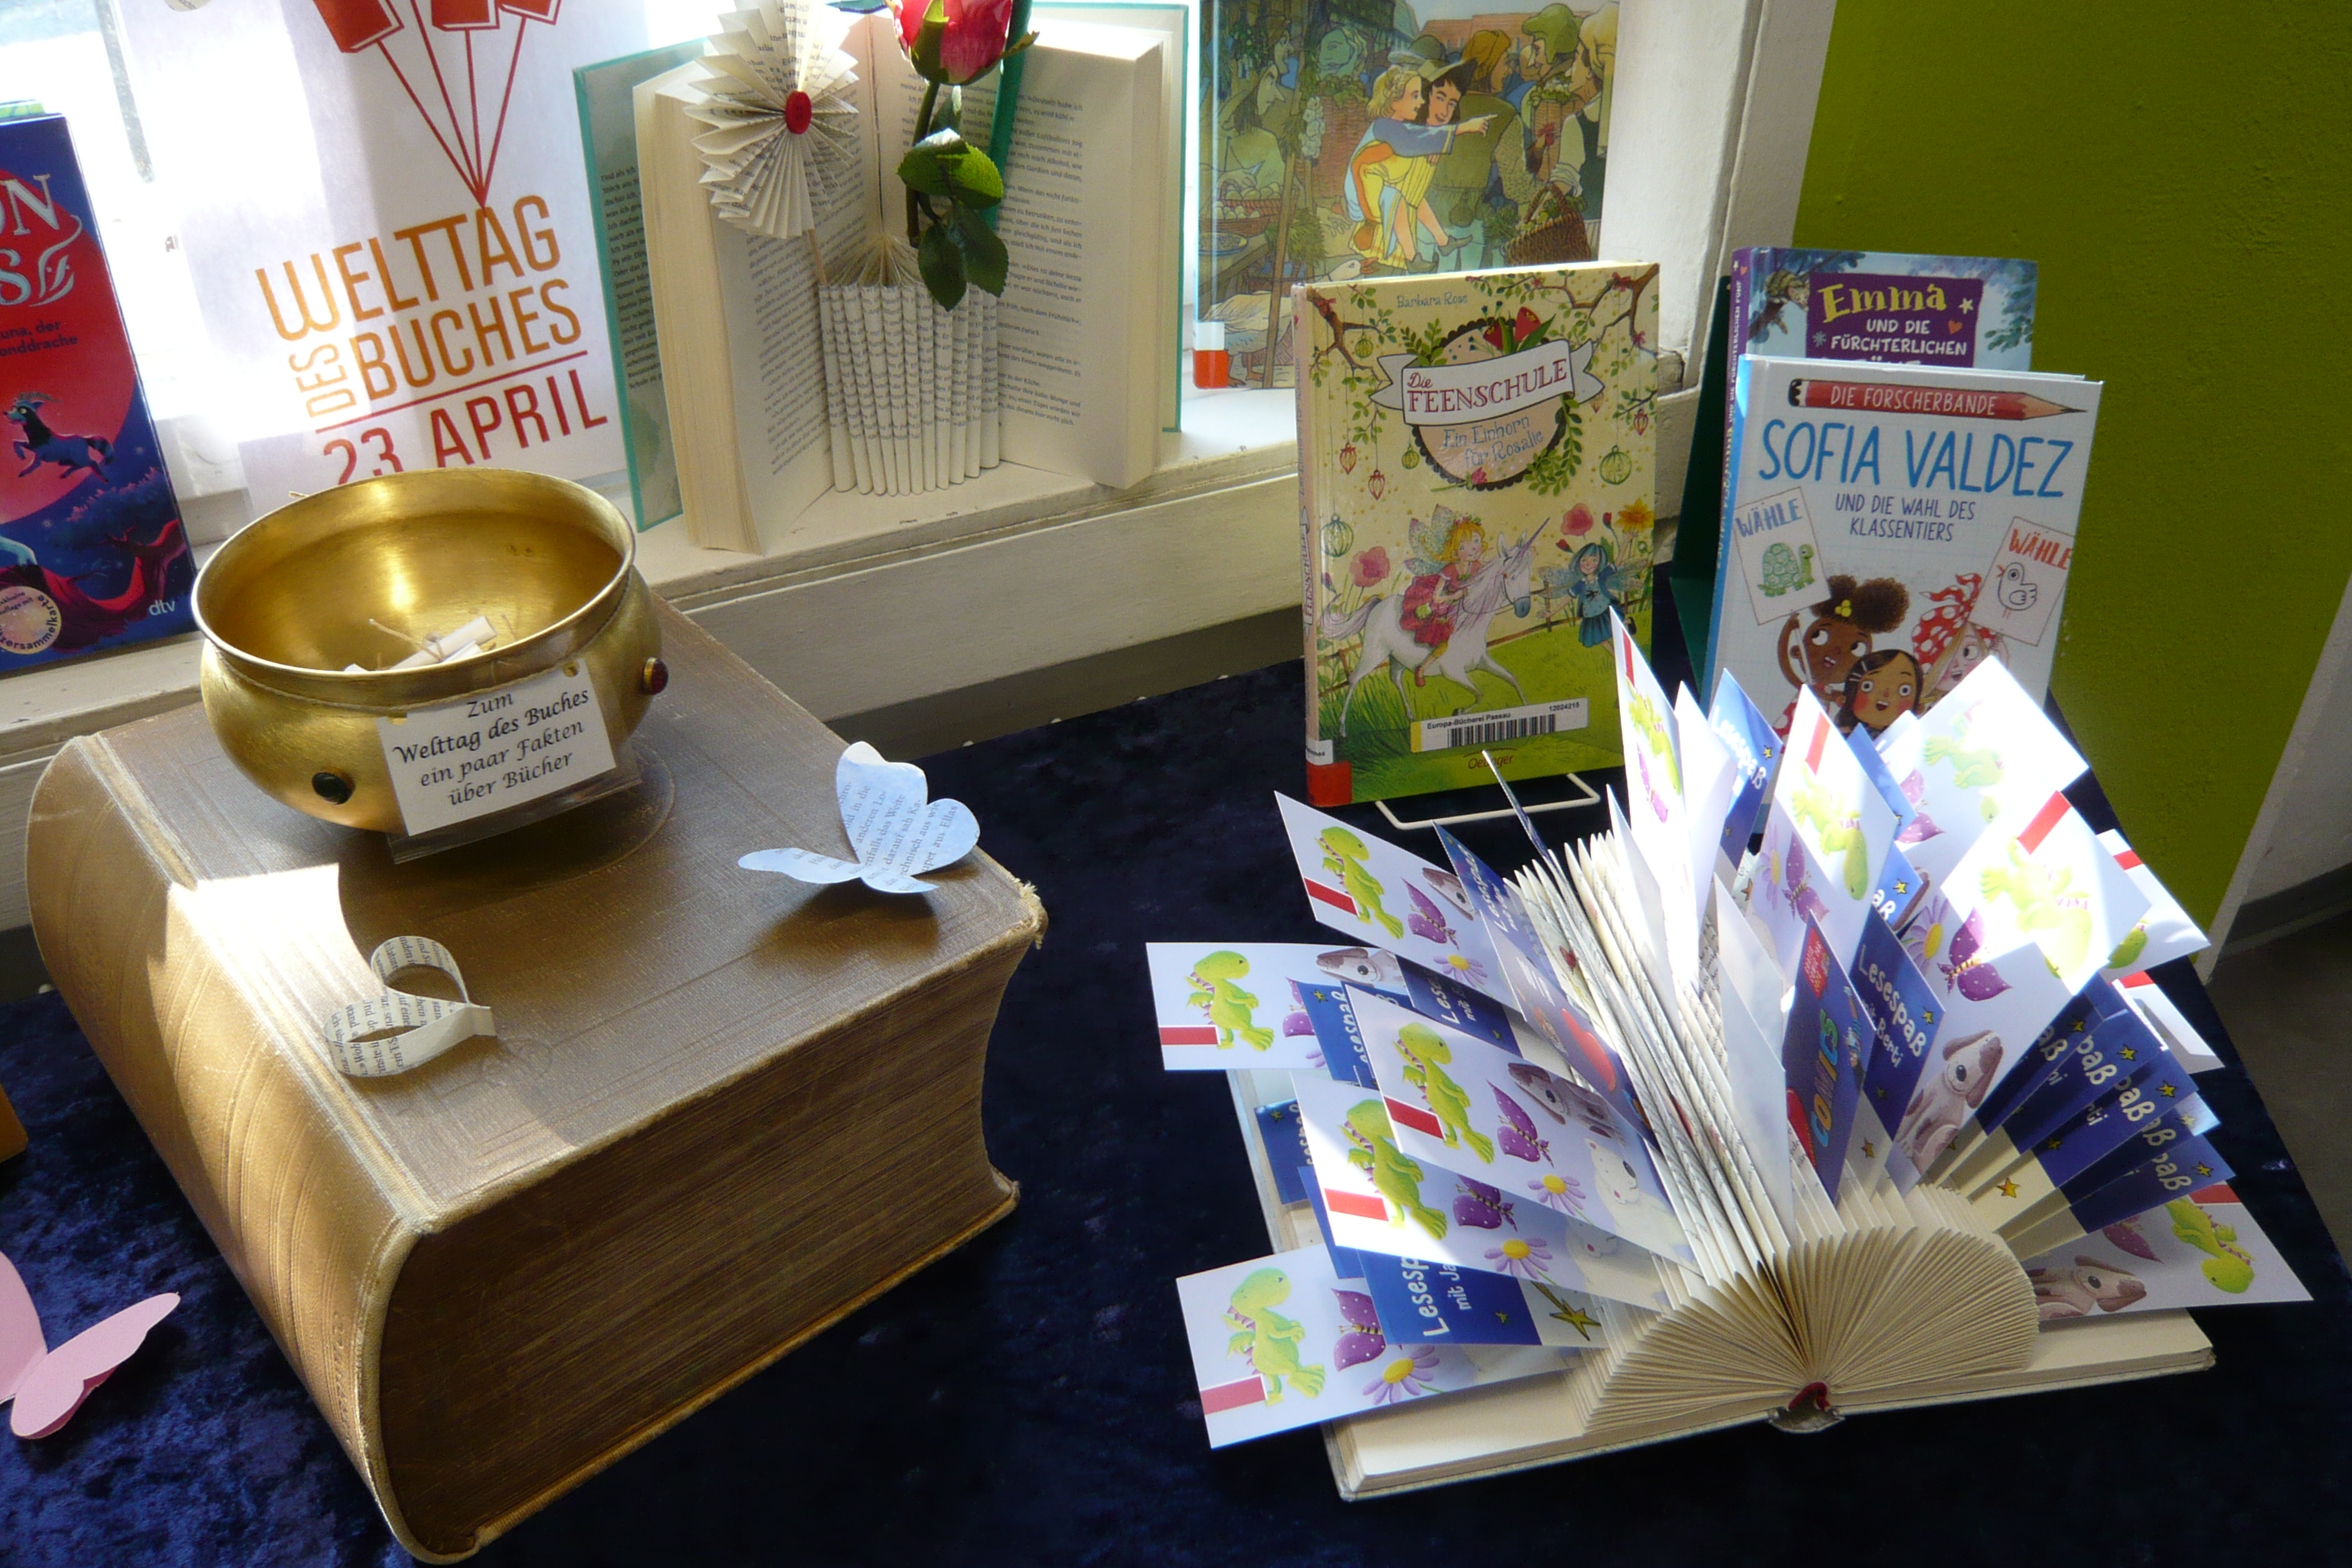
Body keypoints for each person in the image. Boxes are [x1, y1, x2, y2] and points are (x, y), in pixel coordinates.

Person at [1344, 60, 1492, 269]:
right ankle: (1415, 257)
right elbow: (1401, 147)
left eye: (1452, 104)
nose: (1444, 110)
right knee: (1399, 197)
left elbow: (1414, 193)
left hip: (1387, 211)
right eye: (1438, 97)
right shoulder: (1390, 129)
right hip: (1372, 208)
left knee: (1411, 196)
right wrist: (1462, 129)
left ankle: (1442, 242)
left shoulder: (1409, 133)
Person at [1400, 508, 1491, 684]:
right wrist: (1456, 596)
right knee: (1446, 639)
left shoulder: (1478, 566)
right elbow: (1437, 597)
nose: (1473, 549)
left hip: (1468, 607)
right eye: (1464, 547)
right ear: (1456, 551)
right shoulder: (1450, 570)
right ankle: (1423, 668)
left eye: (1476, 541)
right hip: (1447, 607)